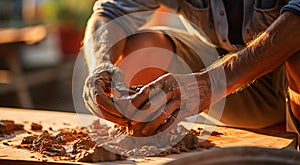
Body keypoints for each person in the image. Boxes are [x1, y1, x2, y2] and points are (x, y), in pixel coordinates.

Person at [83, 0, 299, 136]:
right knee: (142, 49)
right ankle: (148, 142)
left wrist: (210, 83)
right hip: (237, 89)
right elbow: (111, 12)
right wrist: (100, 65)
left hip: (287, 72)